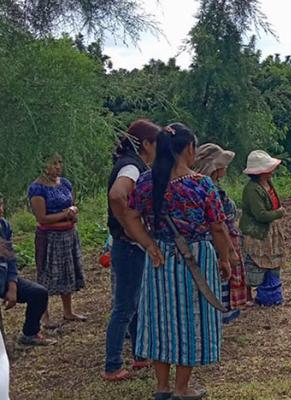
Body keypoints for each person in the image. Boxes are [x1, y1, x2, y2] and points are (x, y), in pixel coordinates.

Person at [122, 123, 231, 400]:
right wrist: (226, 259)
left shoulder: (146, 182)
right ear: (189, 149)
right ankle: (182, 389)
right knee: (191, 321)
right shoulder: (201, 184)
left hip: (160, 260)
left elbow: (130, 219)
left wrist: (148, 244)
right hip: (195, 258)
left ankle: (162, 387)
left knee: (161, 320)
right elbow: (218, 227)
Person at [103, 120, 160, 381]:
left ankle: (139, 354)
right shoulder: (131, 166)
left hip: (128, 245)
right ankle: (113, 365)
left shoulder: (132, 163)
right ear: (146, 144)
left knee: (135, 302)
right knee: (125, 306)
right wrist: (130, 226)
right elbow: (118, 195)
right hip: (128, 246)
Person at [27, 154, 86, 328]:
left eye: (60, 162)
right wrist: (65, 214)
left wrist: (72, 215)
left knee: (68, 271)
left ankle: (68, 311)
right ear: (43, 165)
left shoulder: (65, 183)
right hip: (49, 237)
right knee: (47, 274)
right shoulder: (37, 188)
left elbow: (72, 205)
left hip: (68, 233)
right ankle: (44, 315)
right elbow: (42, 217)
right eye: (54, 163)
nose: (58, 166)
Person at [193, 143, 246, 322]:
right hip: (218, 238)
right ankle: (221, 311)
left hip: (219, 235)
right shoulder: (209, 188)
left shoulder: (205, 185)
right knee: (222, 272)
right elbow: (218, 223)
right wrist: (229, 249)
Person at [0, 196, 55, 346]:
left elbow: (10, 259)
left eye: (1, 204)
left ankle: (29, 334)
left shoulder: (4, 226)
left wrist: (12, 286)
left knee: (39, 293)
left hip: (3, 278)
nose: (0, 210)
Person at [240, 150, 287, 306]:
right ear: (262, 171)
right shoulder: (252, 189)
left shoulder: (266, 184)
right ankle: (247, 295)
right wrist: (278, 213)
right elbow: (260, 215)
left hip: (270, 230)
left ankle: (267, 293)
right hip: (257, 231)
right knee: (254, 262)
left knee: (271, 261)